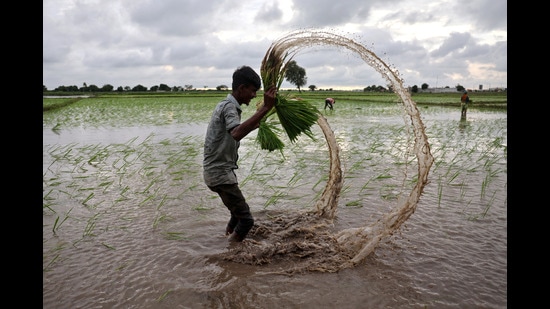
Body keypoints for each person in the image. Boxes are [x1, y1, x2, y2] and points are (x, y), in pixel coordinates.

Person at [203, 65, 277, 243]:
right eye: (252, 91)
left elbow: (234, 133)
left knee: (236, 215)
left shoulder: (227, 106)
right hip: (220, 174)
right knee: (247, 221)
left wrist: (255, 124)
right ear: (241, 88)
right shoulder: (229, 107)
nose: (254, 96)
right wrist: (265, 108)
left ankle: (226, 236)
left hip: (219, 172)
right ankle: (230, 255)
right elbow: (236, 133)